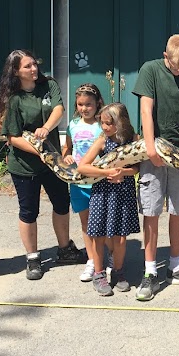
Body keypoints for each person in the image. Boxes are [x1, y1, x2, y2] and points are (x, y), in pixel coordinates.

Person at [0, 49, 86, 281]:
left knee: (62, 203)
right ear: (16, 71)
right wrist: (39, 150)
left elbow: (58, 109)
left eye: (34, 64)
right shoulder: (14, 99)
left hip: (52, 162)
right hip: (24, 166)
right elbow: (12, 137)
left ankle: (65, 249)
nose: (33, 69)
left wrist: (46, 128)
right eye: (27, 66)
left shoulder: (49, 85)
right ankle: (33, 257)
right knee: (29, 211)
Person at [132, 34, 179, 301]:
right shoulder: (150, 70)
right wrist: (151, 147)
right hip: (155, 147)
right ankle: (150, 271)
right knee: (152, 210)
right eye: (176, 67)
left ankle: (176, 265)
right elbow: (145, 110)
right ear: (166, 56)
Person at [77, 103, 141, 296]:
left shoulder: (132, 140)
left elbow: (137, 168)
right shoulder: (102, 141)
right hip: (102, 193)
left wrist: (124, 172)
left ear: (120, 122)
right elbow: (83, 167)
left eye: (108, 123)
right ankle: (99, 273)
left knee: (120, 237)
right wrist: (105, 172)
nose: (104, 127)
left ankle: (119, 271)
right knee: (99, 235)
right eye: (102, 123)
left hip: (123, 192)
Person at [62, 83, 105, 283]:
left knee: (103, 223)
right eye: (80, 104)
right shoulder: (72, 124)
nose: (84, 108)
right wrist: (68, 156)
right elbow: (67, 148)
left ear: (97, 104)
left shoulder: (102, 125)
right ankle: (91, 260)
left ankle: (106, 259)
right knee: (86, 223)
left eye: (88, 104)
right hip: (78, 183)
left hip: (98, 182)